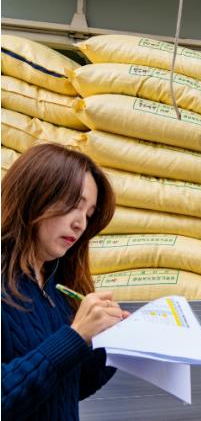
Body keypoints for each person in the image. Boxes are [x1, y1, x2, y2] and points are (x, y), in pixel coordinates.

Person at [1, 143, 129, 420]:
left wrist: (112, 343)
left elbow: (69, 388)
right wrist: (75, 337)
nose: (80, 223)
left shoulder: (59, 287)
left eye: (88, 214)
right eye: (74, 205)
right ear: (34, 194)